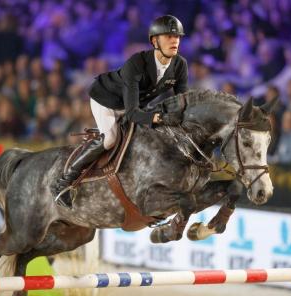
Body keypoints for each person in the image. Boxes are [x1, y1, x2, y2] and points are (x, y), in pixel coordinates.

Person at [52, 15, 189, 208]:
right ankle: (64, 181)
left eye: (177, 37)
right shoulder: (137, 63)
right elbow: (133, 114)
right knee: (110, 138)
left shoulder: (180, 65)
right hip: (106, 100)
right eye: (168, 36)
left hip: (134, 105)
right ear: (154, 41)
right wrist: (161, 117)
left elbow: (183, 100)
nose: (174, 40)